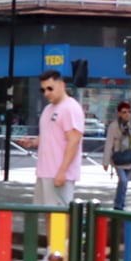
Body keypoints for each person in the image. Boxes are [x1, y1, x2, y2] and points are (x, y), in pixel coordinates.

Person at [25, 69, 86, 208]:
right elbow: (47, 135)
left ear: (62, 85)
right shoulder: (48, 109)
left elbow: (74, 140)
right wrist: (33, 142)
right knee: (48, 214)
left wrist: (62, 171)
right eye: (43, 90)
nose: (46, 93)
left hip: (59, 173)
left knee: (59, 215)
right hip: (44, 172)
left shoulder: (70, 108)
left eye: (50, 88)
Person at [103, 100, 131, 210]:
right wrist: (106, 162)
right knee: (123, 180)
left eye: (129, 112)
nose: (127, 114)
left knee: (125, 182)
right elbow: (108, 144)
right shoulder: (113, 126)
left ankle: (121, 202)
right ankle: (118, 205)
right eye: (124, 112)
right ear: (119, 113)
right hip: (118, 158)